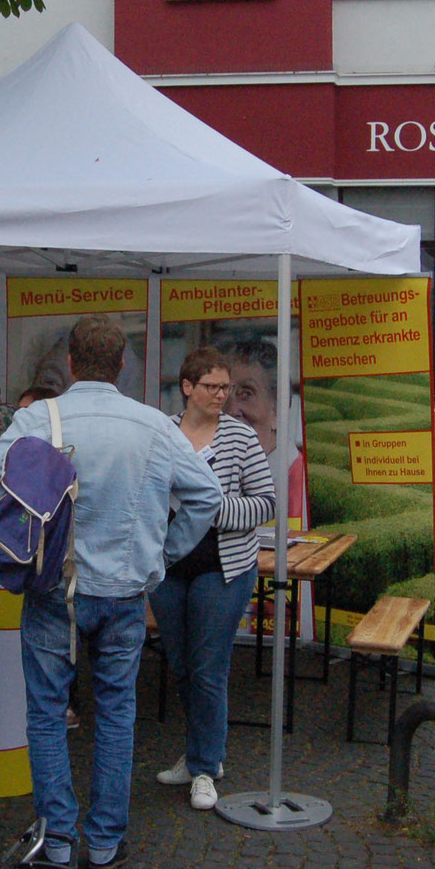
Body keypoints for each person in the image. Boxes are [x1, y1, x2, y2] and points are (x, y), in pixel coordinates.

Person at [0, 315, 220, 869]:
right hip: (127, 591)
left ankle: (58, 842)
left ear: (74, 365)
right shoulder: (153, 424)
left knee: (47, 712)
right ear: (123, 366)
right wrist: (164, 555)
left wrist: (1, 547)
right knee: (116, 712)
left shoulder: (37, 417)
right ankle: (104, 844)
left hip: (54, 588)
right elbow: (206, 495)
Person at [149, 347, 275, 813]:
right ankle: (200, 751)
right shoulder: (161, 432)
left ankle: (205, 766)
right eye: (212, 387)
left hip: (223, 568)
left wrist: (214, 509)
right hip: (168, 567)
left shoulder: (241, 438)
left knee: (208, 668)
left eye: (225, 387)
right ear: (187, 388)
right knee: (181, 664)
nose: (222, 395)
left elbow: (266, 502)